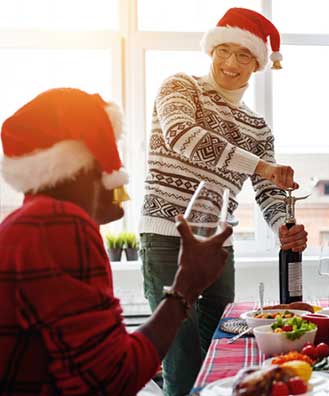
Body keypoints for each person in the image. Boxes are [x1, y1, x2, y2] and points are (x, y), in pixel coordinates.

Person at [0, 88, 231, 395]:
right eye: (108, 154)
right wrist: (185, 285)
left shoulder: (33, 221)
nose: (117, 169)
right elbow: (114, 379)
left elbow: (95, 358)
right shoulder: (59, 225)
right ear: (82, 168)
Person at [139, 7, 308, 395]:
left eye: (243, 54)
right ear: (211, 51)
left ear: (257, 63)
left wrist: (284, 224)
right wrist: (264, 166)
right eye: (223, 50)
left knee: (224, 351)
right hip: (167, 239)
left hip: (218, 247)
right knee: (181, 360)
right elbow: (185, 137)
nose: (231, 62)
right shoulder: (180, 87)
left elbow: (267, 192)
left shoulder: (258, 127)